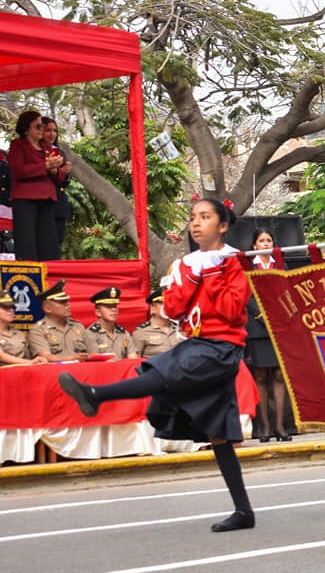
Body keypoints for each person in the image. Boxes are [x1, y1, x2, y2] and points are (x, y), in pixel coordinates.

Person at [58, 198, 256, 532]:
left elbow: (232, 308)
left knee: (164, 371)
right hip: (198, 342)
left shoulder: (234, 262)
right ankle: (244, 511)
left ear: (222, 225)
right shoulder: (187, 264)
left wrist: (213, 273)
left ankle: (97, 394)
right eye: (193, 217)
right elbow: (174, 309)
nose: (195, 223)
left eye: (205, 217)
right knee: (219, 434)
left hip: (220, 346)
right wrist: (194, 275)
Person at [245, 228, 291, 442]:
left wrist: (276, 313)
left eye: (268, 240)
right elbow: (246, 294)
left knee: (280, 375)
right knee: (261, 375)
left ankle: (280, 425)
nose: (265, 244)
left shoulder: (279, 264)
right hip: (257, 326)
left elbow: (287, 290)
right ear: (254, 245)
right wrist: (261, 314)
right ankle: (265, 427)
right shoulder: (248, 266)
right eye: (261, 241)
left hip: (279, 324)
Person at [8, 110, 70, 260]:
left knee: (48, 242)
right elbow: (18, 171)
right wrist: (45, 166)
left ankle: (51, 277)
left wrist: (57, 170)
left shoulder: (47, 147)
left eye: (42, 126)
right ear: (26, 129)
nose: (42, 130)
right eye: (38, 126)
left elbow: (58, 178)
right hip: (25, 199)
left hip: (47, 199)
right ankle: (28, 279)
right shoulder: (18, 145)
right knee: (27, 242)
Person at [27, 279, 89, 363]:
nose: (67, 305)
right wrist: (71, 358)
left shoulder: (77, 326)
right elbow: (46, 357)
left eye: (67, 301)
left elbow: (91, 353)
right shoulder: (38, 330)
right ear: (48, 308)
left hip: (81, 372)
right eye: (62, 302)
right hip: (54, 373)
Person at [40, 116, 71, 248]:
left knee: (56, 242)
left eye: (54, 130)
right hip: (40, 203)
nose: (52, 134)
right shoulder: (34, 152)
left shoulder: (59, 152)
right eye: (48, 130)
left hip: (58, 203)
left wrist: (64, 173)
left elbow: (62, 181)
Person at [83, 287, 138, 360]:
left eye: (115, 306)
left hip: (123, 370)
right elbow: (95, 361)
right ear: (98, 312)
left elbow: (133, 358)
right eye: (108, 307)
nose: (114, 309)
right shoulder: (91, 334)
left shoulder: (123, 333)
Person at [132, 287, 181, 358]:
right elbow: (134, 363)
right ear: (153, 308)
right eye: (162, 303)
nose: (167, 306)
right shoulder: (141, 332)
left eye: (169, 302)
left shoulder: (180, 330)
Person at [0, 289, 45, 365]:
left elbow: (27, 356)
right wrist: (31, 362)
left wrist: (36, 361)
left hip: (21, 372)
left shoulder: (18, 333)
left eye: (11, 307)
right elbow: (1, 356)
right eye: (5, 307)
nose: (11, 310)